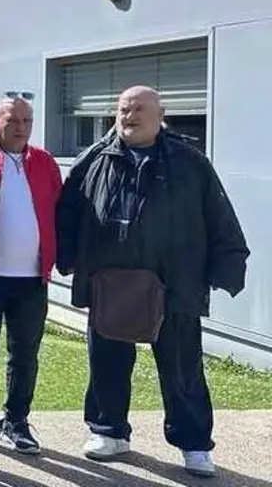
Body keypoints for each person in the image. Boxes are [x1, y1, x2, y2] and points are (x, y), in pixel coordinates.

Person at [57, 86, 247, 478]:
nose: (129, 115)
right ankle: (109, 431)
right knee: (107, 361)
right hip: (111, 284)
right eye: (124, 108)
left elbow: (218, 215)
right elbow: (68, 212)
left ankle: (193, 443)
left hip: (174, 284)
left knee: (182, 369)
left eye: (139, 108)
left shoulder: (190, 162)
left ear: (161, 114)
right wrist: (68, 257)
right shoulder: (94, 158)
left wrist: (226, 266)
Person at [0, 96, 61, 454]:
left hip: (32, 279)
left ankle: (16, 422)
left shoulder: (45, 162)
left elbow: (59, 210)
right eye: (13, 120)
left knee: (25, 355)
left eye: (27, 120)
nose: (20, 127)